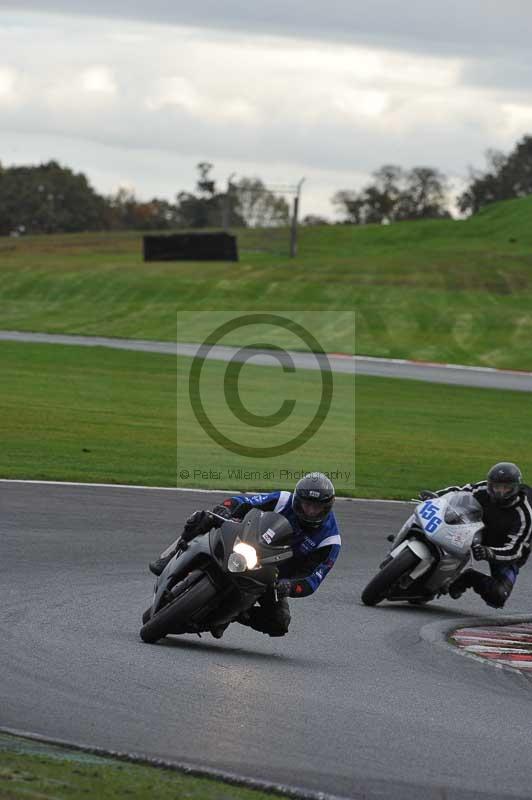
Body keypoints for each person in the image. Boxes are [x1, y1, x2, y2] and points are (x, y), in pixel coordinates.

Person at [149, 472, 341, 638]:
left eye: (316, 507)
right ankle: (170, 555)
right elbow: (246, 502)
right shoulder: (283, 499)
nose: (310, 510)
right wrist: (226, 507)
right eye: (306, 504)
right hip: (245, 544)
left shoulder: (329, 540)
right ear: (297, 500)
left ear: (327, 508)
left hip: (272, 578)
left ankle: (236, 615)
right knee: (203, 517)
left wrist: (290, 586)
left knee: (279, 623)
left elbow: (313, 578)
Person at [421, 462, 532, 608]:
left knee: (498, 596)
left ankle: (469, 578)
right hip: (474, 528)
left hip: (502, 549)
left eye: (506, 488)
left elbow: (515, 551)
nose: (500, 492)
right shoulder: (483, 488)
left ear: (516, 488)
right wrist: (436, 496)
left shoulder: (525, 514)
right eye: (496, 487)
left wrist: (490, 553)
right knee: (442, 520)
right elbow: (458, 491)